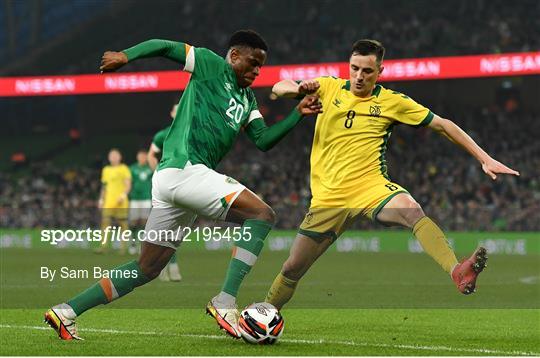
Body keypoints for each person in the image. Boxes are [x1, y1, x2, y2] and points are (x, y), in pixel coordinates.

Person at [44, 29, 322, 340]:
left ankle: (66, 311)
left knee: (146, 268)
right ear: (234, 56)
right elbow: (163, 46)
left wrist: (298, 114)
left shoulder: (247, 99)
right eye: (253, 63)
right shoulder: (209, 64)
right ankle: (225, 302)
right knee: (262, 215)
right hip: (184, 169)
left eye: (261, 66)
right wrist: (126, 55)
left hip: (175, 182)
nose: (257, 71)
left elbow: (263, 140)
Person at [265, 39, 520, 310]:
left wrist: (485, 158)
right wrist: (296, 87)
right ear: (348, 67)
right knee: (292, 268)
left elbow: (443, 125)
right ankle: (263, 314)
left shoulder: (393, 102)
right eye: (354, 69)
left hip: (370, 187)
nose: (359, 76)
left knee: (412, 210)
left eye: (367, 71)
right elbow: (278, 87)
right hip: (328, 198)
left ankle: (457, 270)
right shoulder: (329, 87)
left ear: (380, 72)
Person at [147, 103, 182, 281]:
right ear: (171, 113)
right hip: (167, 184)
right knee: (162, 227)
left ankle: (172, 266)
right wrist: (157, 173)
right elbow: (151, 155)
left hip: (185, 182)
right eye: (176, 108)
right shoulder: (163, 134)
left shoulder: (191, 130)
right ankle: (160, 268)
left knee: (177, 227)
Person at [96, 148, 131, 255]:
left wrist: (123, 195)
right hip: (108, 201)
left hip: (121, 201)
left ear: (120, 157)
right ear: (109, 158)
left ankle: (123, 248)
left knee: (123, 224)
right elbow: (104, 186)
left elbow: (128, 184)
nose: (114, 157)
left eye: (116, 155)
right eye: (112, 156)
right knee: (105, 223)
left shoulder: (124, 168)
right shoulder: (106, 170)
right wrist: (101, 199)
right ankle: (103, 246)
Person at [127, 150, 153, 255]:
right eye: (140, 156)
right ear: (137, 157)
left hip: (146, 198)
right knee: (133, 222)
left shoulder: (150, 169)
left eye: (144, 156)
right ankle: (133, 243)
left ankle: (142, 244)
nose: (142, 158)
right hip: (134, 198)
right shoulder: (132, 168)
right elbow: (128, 182)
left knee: (144, 222)